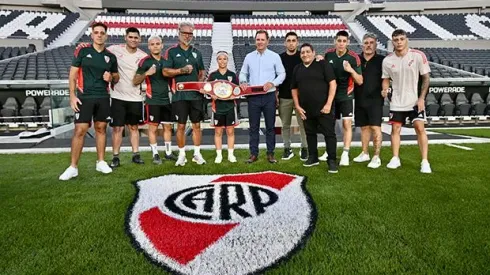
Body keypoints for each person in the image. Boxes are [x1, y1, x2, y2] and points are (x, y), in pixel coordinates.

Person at [59, 22, 119, 180]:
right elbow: (72, 75)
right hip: (84, 97)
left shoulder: (111, 57)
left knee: (101, 128)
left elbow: (116, 77)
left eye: (102, 32)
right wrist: (72, 96)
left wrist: (111, 77)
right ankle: (73, 167)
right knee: (80, 130)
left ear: (106, 35)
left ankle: (100, 162)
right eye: (96, 32)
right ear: (92, 35)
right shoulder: (82, 51)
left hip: (103, 97)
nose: (99, 35)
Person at [382, 29, 432, 173]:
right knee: (395, 129)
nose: (399, 42)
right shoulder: (387, 60)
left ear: (406, 40)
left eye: (401, 39)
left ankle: (424, 161)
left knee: (419, 127)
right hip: (397, 101)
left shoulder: (417, 56)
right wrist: (385, 89)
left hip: (415, 101)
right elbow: (385, 79)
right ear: (392, 41)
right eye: (396, 40)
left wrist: (422, 98)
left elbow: (426, 78)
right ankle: (395, 158)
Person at [163, 22, 206, 167]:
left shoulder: (197, 52)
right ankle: (182, 155)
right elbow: (165, 71)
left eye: (190, 34)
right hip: (179, 96)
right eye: (184, 33)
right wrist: (181, 71)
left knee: (197, 126)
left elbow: (202, 72)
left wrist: (199, 84)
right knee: (180, 126)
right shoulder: (171, 51)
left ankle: (197, 154)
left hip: (195, 96)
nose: (187, 36)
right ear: (178, 33)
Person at [239, 30, 286, 164]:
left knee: (270, 127)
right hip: (253, 96)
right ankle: (253, 154)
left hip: (269, 96)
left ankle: (270, 153)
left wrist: (272, 83)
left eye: (262, 39)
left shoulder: (275, 56)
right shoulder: (249, 57)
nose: (260, 42)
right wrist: (242, 82)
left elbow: (282, 74)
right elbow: (243, 73)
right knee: (253, 127)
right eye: (258, 39)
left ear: (267, 41)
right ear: (255, 41)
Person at [291, 43, 338, 173]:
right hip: (306, 109)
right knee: (310, 134)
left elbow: (333, 84)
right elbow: (294, 89)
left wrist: (329, 104)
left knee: (329, 134)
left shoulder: (323, 64)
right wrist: (298, 106)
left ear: (313, 52)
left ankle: (332, 160)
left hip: (324, 108)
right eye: (302, 52)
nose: (305, 54)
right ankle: (313, 157)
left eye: (307, 52)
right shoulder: (297, 69)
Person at [106, 27, 148, 167]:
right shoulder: (114, 49)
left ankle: (136, 155)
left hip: (135, 97)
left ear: (140, 39)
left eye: (136, 37)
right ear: (125, 37)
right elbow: (98, 50)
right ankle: (115, 157)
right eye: (130, 37)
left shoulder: (142, 56)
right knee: (117, 128)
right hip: (117, 96)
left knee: (134, 127)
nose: (133, 40)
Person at [322, 31, 363, 166]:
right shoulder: (328, 54)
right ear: (335, 41)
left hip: (346, 95)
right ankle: (329, 150)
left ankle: (345, 152)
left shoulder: (353, 57)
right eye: (339, 41)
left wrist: (351, 70)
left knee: (346, 124)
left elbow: (360, 81)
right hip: (331, 95)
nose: (341, 44)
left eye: (344, 41)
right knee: (329, 125)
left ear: (348, 42)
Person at [133, 35, 175, 165]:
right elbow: (135, 81)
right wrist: (147, 73)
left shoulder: (167, 62)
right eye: (152, 44)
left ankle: (168, 153)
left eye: (158, 44)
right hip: (153, 100)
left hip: (166, 100)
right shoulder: (144, 61)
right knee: (153, 128)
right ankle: (155, 154)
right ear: (149, 46)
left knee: (167, 127)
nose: (155, 46)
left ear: (162, 45)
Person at [352, 33, 385, 169]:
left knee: (375, 127)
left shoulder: (382, 60)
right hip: (359, 98)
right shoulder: (357, 59)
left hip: (375, 99)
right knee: (364, 127)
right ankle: (365, 153)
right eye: (366, 43)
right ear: (362, 45)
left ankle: (376, 156)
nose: (368, 45)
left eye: (371, 42)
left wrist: (385, 90)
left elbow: (386, 78)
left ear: (376, 44)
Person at [278, 31, 308, 161]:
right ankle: (287, 148)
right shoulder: (279, 58)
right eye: (289, 40)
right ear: (285, 43)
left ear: (297, 42)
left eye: (293, 40)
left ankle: (305, 148)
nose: (291, 43)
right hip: (284, 96)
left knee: (303, 125)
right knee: (285, 125)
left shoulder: (303, 56)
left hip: (301, 98)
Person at [205, 51, 239, 163]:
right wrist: (212, 96)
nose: (222, 61)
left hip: (230, 107)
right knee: (218, 132)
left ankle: (231, 155)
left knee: (230, 132)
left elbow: (237, 91)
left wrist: (232, 96)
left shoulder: (232, 75)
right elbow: (207, 90)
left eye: (225, 59)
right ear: (217, 60)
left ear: (227, 60)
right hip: (217, 107)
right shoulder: (213, 75)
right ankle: (218, 155)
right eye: (220, 59)